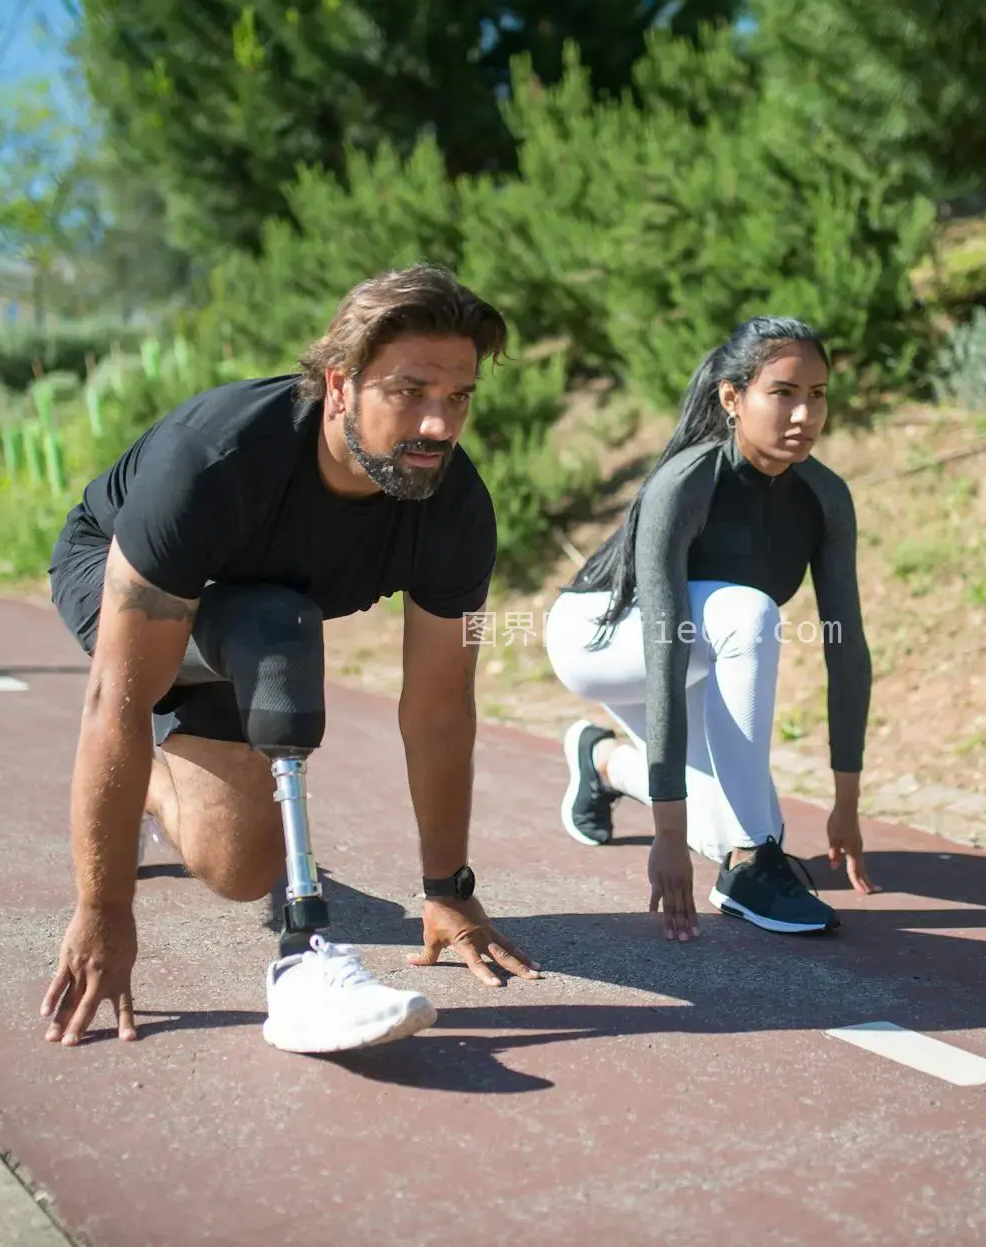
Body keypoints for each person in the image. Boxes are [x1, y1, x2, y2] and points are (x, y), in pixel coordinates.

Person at [42, 264, 539, 1053]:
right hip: (117, 569)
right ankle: (304, 957)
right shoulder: (211, 462)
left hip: (257, 622)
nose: (440, 425)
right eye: (409, 392)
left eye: (459, 398)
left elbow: (441, 706)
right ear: (340, 386)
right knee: (281, 625)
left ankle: (149, 788)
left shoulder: (452, 506)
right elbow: (118, 699)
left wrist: (447, 888)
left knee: (239, 868)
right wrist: (105, 909)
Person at [543, 316, 877, 942]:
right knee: (751, 613)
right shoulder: (686, 482)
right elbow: (664, 649)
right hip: (601, 636)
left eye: (818, 394)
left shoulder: (825, 496)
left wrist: (847, 803)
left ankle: (603, 761)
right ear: (732, 397)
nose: (804, 413)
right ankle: (754, 858)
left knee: (718, 829)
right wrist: (666, 835)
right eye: (783, 393)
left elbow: (847, 649)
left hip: (706, 642)